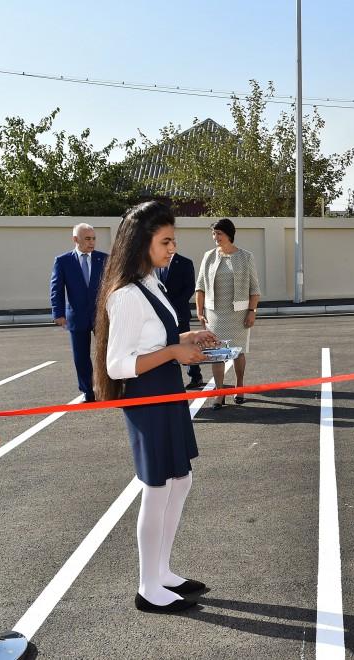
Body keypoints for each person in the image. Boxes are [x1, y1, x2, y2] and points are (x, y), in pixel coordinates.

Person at [93, 201, 217, 614]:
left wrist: (192, 337)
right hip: (148, 398)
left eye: (173, 240)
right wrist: (173, 353)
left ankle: (163, 571)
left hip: (168, 392)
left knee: (181, 480)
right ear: (141, 243)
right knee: (158, 486)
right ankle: (148, 586)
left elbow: (160, 338)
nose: (172, 248)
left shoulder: (152, 283)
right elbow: (118, 364)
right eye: (165, 241)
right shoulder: (126, 295)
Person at [195, 218, 261, 410]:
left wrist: (252, 311)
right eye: (214, 233)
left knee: (238, 352)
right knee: (217, 354)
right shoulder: (208, 256)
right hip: (214, 313)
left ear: (229, 234)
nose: (216, 237)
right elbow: (199, 288)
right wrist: (199, 312)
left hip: (239, 314)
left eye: (219, 233)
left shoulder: (245, 257)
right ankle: (219, 393)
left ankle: (239, 385)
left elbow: (254, 289)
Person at [51, 223, 107, 402]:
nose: (92, 243)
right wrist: (58, 313)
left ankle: (109, 388)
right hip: (76, 316)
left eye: (94, 238)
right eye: (87, 239)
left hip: (101, 316)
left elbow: (113, 287)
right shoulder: (63, 261)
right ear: (75, 239)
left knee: (106, 353)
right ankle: (87, 392)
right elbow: (56, 288)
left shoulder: (104, 259)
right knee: (81, 357)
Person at [158, 252, 205, 390]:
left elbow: (189, 288)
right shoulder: (157, 263)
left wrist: (172, 305)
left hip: (180, 312)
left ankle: (195, 376)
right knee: (165, 345)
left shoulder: (185, 262)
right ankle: (168, 379)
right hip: (162, 314)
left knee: (187, 344)